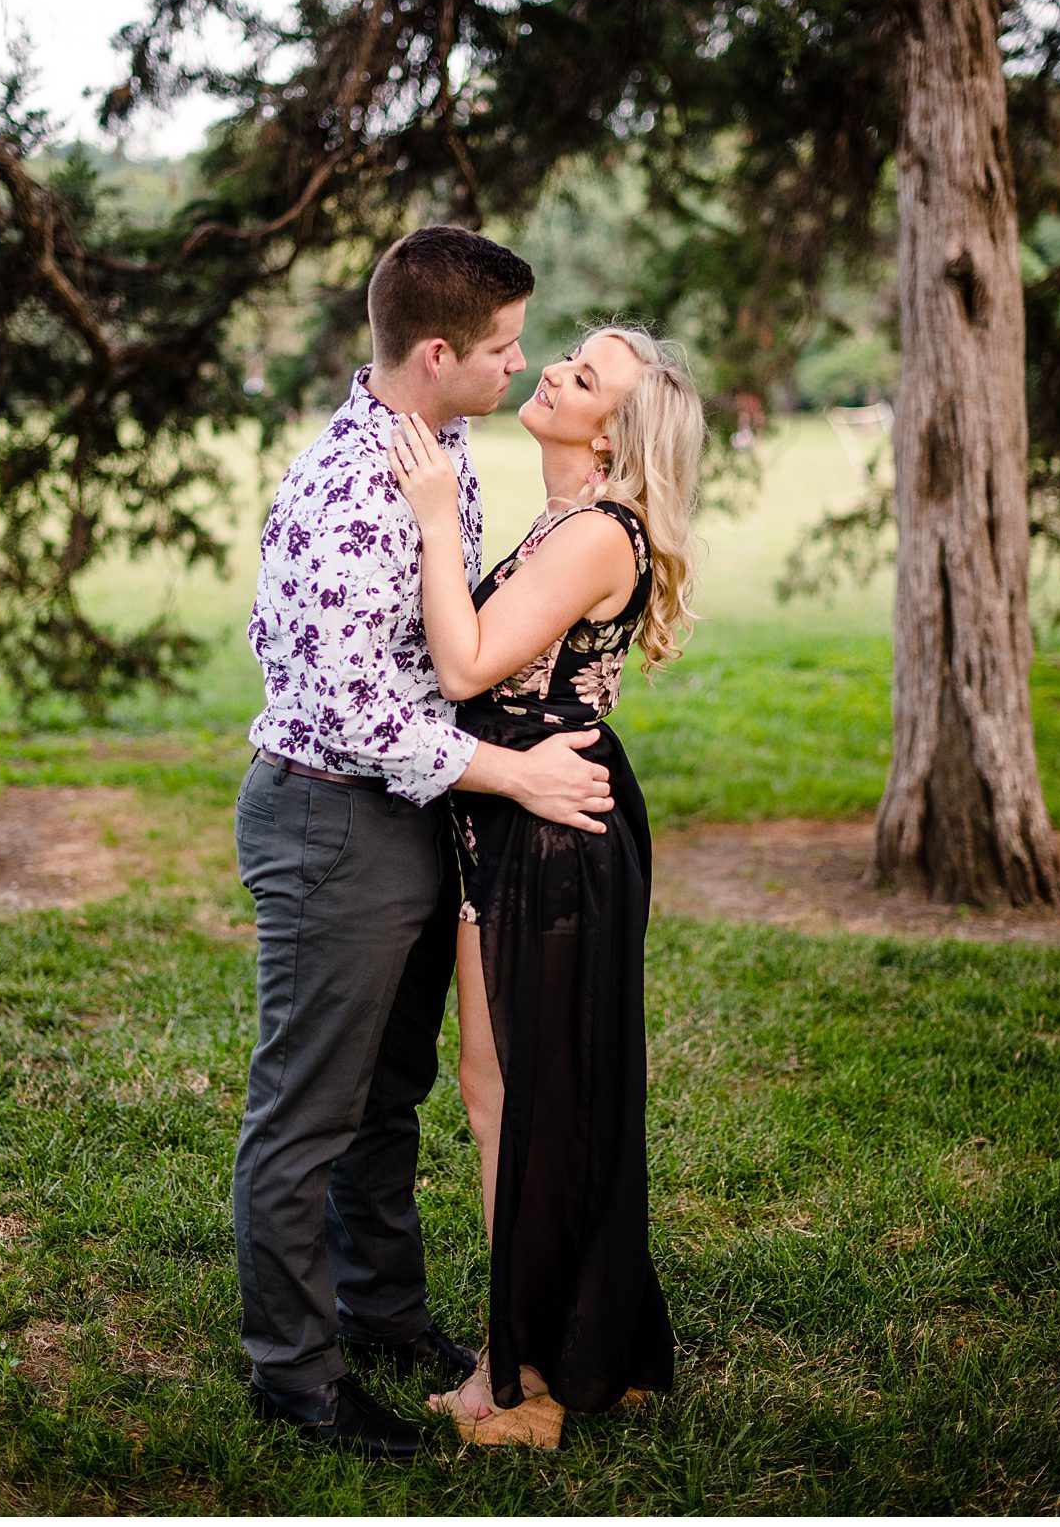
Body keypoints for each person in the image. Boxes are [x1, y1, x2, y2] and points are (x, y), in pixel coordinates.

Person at [234, 226, 617, 1460]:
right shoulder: (356, 482)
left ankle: (384, 1313)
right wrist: (515, 771)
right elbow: (349, 704)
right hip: (329, 816)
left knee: (387, 1095)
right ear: (439, 352)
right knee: (308, 1111)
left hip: (407, 813)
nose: (518, 367)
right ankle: (295, 1375)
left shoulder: (440, 445)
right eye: (503, 349)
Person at [387, 321, 703, 1447]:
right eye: (567, 354)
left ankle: (519, 1385)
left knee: (504, 1096)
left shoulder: (594, 534)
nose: (555, 372)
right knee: (528, 1093)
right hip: (524, 812)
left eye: (585, 374)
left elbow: (469, 665)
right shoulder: (571, 521)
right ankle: (582, 1346)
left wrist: (430, 520)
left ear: (613, 434)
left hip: (547, 832)